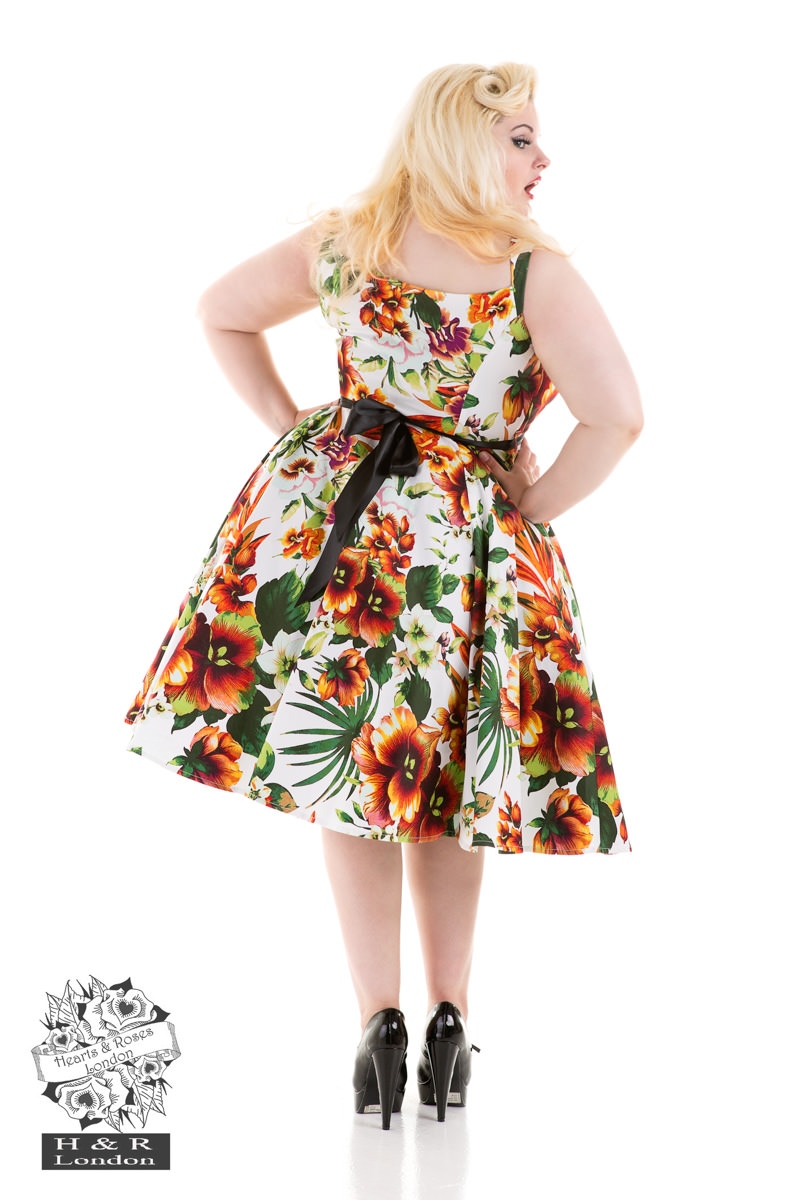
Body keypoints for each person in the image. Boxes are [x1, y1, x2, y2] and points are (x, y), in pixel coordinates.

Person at [123, 61, 643, 1130]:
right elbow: (618, 415)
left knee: (352, 776)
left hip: (347, 548)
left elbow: (222, 314)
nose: (543, 158)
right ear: (462, 140)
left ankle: (377, 1022)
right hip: (461, 566)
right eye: (520, 137)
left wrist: (297, 431)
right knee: (441, 781)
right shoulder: (529, 274)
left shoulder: (348, 243)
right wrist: (533, 501)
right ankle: (450, 1017)